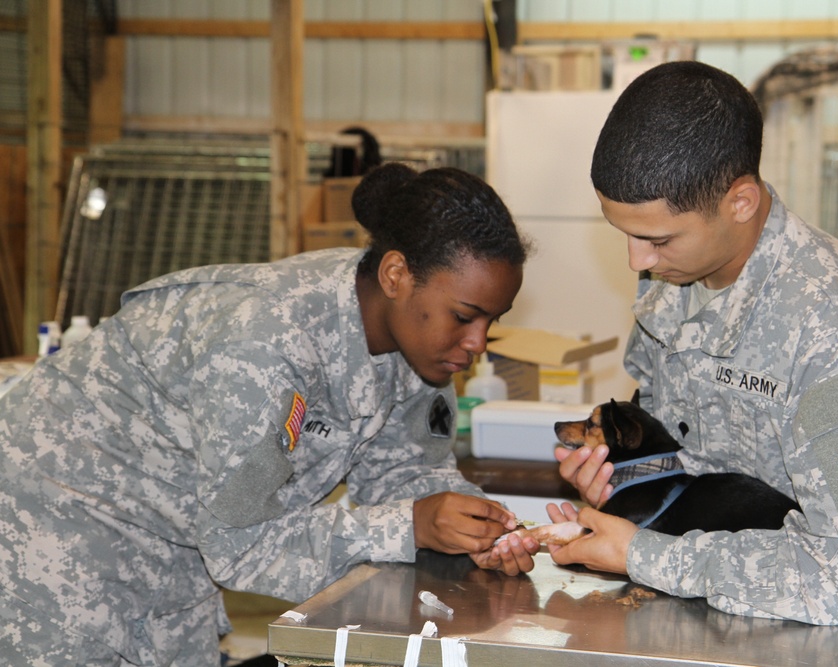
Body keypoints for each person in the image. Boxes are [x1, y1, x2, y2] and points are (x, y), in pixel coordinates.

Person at [0, 163, 540, 665]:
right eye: (466, 317)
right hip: (57, 524)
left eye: (491, 321)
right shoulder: (266, 339)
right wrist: (411, 525)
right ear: (397, 275)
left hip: (176, 541)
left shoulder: (421, 347)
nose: (477, 344)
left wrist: (482, 529)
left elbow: (410, 471)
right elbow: (242, 543)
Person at [547, 61, 838, 626]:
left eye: (655, 239)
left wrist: (643, 554)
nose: (637, 261)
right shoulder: (673, 277)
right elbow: (672, 442)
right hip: (681, 616)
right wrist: (627, 477)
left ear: (740, 202)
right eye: (624, 234)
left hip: (796, 633)